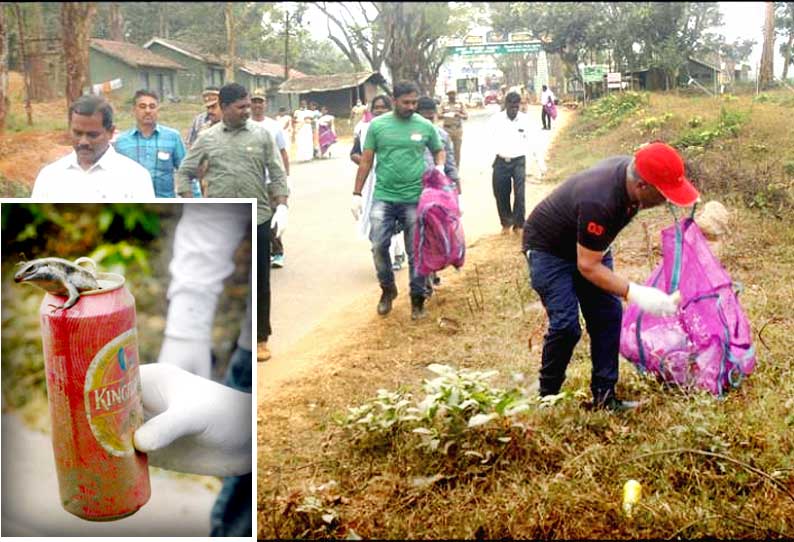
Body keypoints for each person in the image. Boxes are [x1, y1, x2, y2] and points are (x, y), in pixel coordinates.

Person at [522, 141, 699, 411]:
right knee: (567, 326)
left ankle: (605, 397)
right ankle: (547, 396)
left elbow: (592, 256)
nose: (666, 201)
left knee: (608, 314)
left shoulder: (632, 176)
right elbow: (588, 266)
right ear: (642, 186)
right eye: (663, 194)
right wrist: (638, 293)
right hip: (549, 250)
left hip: (590, 243)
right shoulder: (600, 200)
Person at [142, 202, 254, 536]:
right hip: (248, 354)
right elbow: (217, 209)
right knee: (238, 508)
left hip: (249, 349)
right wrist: (187, 325)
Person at [174, 82, 289, 362]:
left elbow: (277, 172)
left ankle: (260, 338)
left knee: (260, 282)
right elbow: (184, 173)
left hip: (259, 218)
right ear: (224, 108)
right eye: (240, 107)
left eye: (248, 106)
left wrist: (282, 205)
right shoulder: (208, 138)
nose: (247, 111)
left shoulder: (262, 136)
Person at [351, 81, 445, 320]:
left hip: (415, 198)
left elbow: (438, 149)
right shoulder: (377, 126)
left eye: (414, 102)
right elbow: (366, 160)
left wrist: (440, 169)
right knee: (378, 246)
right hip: (384, 196)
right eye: (406, 102)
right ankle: (387, 289)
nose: (411, 106)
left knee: (416, 251)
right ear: (395, 101)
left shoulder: (424, 126)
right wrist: (356, 194)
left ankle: (417, 300)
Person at [31, 95, 154, 200]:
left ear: (110, 132)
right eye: (78, 133)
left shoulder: (134, 177)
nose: (83, 142)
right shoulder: (50, 176)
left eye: (92, 135)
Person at [349, 95, 406, 272]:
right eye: (376, 107)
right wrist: (369, 163)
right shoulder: (365, 129)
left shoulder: (399, 128)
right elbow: (354, 154)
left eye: (384, 107)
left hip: (394, 180)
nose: (379, 110)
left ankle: (397, 254)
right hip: (371, 182)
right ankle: (383, 256)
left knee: (393, 220)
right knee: (375, 221)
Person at [487, 91, 546, 235]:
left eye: (516, 106)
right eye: (511, 106)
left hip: (519, 161)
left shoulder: (525, 120)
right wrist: (489, 161)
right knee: (501, 193)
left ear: (519, 106)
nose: (514, 109)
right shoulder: (496, 120)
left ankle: (519, 224)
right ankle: (506, 222)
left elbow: (534, 142)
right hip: (501, 161)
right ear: (506, 105)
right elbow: (488, 140)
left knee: (520, 193)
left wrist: (541, 164)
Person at [114, 90, 186, 198]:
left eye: (152, 106)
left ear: (158, 110)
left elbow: (186, 172)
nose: (148, 111)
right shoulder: (121, 142)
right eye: (142, 106)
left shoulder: (173, 137)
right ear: (134, 110)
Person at [249, 89, 291, 269]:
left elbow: (282, 153)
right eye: (254, 101)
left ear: (266, 104)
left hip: (270, 180)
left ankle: (277, 252)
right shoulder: (245, 125)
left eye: (261, 102)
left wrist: (286, 178)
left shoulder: (274, 126)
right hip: (251, 180)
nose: (257, 105)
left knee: (273, 217)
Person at [440, 89, 468, 168]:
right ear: (447, 95)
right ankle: (447, 167)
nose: (452, 96)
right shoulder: (444, 104)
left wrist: (459, 114)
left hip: (457, 129)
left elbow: (466, 116)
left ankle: (456, 168)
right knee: (446, 149)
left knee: (457, 151)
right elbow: (438, 115)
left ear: (455, 95)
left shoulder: (460, 104)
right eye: (450, 94)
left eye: (453, 94)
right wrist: (446, 114)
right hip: (446, 129)